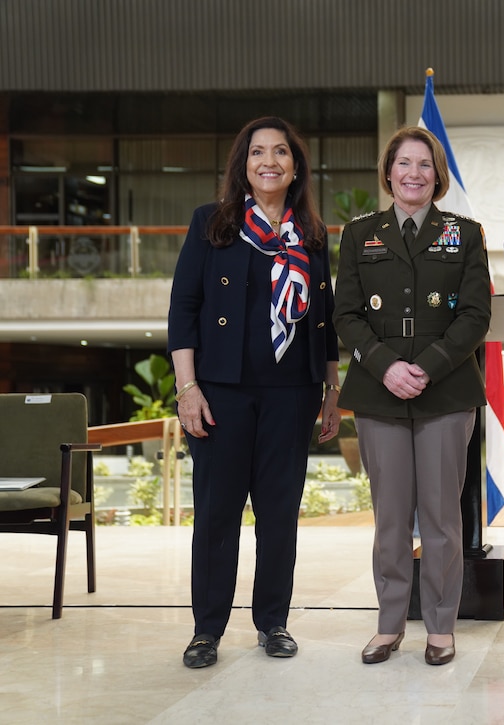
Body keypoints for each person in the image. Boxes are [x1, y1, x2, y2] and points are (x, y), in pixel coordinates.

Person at [168, 116, 342, 669]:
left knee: (279, 514)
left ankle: (273, 621)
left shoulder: (311, 236)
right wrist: (187, 388)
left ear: (295, 168)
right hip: (221, 394)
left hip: (292, 393)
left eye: (281, 153)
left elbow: (326, 319)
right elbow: (183, 312)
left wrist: (332, 390)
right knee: (217, 515)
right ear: (243, 165)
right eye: (257, 153)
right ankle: (206, 631)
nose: (269, 161)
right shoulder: (211, 224)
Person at [334, 126, 491, 667]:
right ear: (389, 172)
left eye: (424, 164)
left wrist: (422, 368)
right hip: (380, 395)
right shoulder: (360, 234)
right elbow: (346, 315)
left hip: (445, 393)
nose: (414, 173)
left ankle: (441, 627)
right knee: (390, 518)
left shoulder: (465, 234)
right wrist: (386, 367)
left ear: (437, 175)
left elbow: (475, 316)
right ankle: (389, 624)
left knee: (444, 517)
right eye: (404, 163)